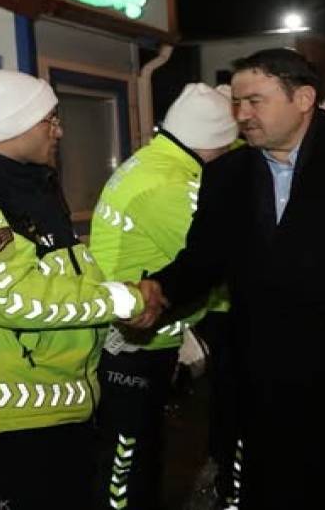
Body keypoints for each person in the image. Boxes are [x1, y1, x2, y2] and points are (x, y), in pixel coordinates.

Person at [141, 48, 325, 508]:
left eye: (255, 101)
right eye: (237, 103)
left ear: (303, 99)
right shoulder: (226, 174)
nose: (242, 114)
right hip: (263, 380)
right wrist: (160, 290)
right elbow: (203, 258)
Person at [0, 69, 160, 510]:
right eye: (50, 120)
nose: (59, 131)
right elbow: (17, 298)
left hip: (65, 403)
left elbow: (69, 276)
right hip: (12, 418)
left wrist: (114, 317)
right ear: (16, 124)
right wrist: (124, 299)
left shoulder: (33, 185)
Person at [88, 82, 238, 510]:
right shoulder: (173, 184)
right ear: (213, 140)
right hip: (134, 340)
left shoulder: (151, 162)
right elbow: (219, 257)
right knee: (128, 461)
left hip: (134, 333)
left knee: (136, 452)